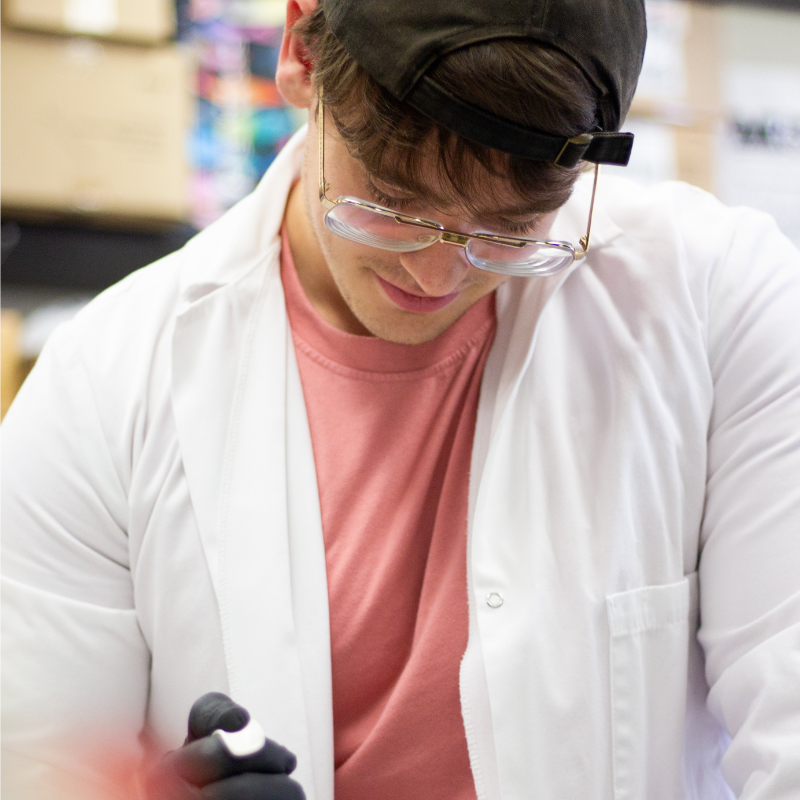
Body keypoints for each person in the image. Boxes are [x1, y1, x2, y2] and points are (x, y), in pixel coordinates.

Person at [2, 0, 800, 798]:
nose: (437, 274)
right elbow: (40, 769)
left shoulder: (719, 304)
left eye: (510, 231)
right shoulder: (103, 387)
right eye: (390, 207)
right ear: (300, 53)